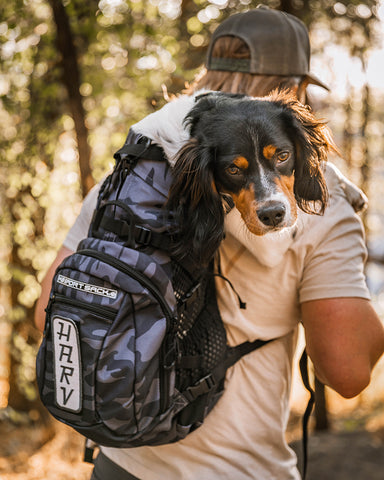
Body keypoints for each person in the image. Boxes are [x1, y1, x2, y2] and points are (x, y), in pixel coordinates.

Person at [34, 6, 384, 480]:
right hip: (237, 470)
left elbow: (47, 313)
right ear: (296, 87)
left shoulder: (136, 170)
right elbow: (347, 373)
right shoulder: (322, 204)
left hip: (120, 462)